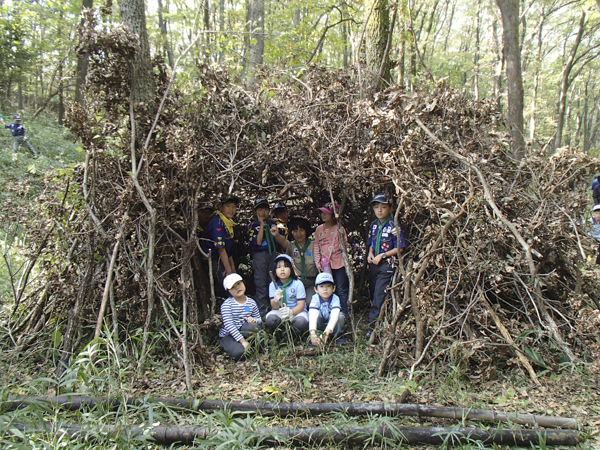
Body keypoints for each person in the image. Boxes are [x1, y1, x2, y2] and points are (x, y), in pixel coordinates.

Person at [366, 193, 406, 336]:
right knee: (372, 291)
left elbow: (400, 248)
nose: (379, 210)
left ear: (390, 209)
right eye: (376, 207)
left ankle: (374, 326)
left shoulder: (394, 226)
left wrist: (383, 255)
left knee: (379, 294)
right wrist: (371, 254)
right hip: (374, 264)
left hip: (386, 264)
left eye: (383, 207)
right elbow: (370, 243)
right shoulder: (374, 226)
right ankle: (376, 320)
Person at [313, 201, 349, 315]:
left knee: (341, 289)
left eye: (326, 213)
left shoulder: (339, 228)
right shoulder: (319, 229)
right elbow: (316, 247)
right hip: (325, 265)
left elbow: (345, 245)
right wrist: (318, 263)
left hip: (339, 263)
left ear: (334, 215)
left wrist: (342, 235)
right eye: (322, 213)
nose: (323, 215)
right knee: (326, 289)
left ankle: (343, 313)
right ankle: (327, 313)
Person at [201, 194, 239, 294]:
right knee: (227, 284)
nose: (231, 209)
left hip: (223, 257)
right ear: (220, 207)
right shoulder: (217, 223)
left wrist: (232, 266)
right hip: (212, 258)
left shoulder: (228, 222)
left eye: (234, 206)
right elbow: (221, 249)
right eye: (228, 206)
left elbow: (228, 248)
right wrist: (229, 272)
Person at [219, 273, 262, 361]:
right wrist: (242, 341)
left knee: (253, 326)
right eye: (233, 287)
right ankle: (239, 347)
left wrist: (254, 320)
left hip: (244, 330)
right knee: (239, 353)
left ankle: (255, 347)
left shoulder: (251, 302)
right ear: (229, 291)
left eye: (239, 284)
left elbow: (259, 319)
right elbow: (229, 325)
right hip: (229, 335)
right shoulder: (227, 305)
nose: (237, 288)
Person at [248, 197, 279, 315]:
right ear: (255, 211)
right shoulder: (252, 225)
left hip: (272, 254)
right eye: (260, 209)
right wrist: (261, 226)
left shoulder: (273, 224)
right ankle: (262, 311)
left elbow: (278, 240)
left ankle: (274, 309)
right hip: (259, 255)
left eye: (265, 209)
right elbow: (258, 242)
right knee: (260, 282)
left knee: (272, 281)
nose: (263, 212)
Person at [271, 217, 318, 293]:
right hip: (295, 282)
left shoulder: (314, 245)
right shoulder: (291, 246)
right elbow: (283, 241)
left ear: (306, 231)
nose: (298, 234)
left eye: (301, 230)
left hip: (312, 283)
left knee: (309, 302)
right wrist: (276, 235)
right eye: (295, 231)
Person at [265, 254, 309, 332]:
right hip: (280, 311)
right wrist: (276, 300)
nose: (282, 269)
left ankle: (296, 335)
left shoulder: (298, 283)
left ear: (291, 268)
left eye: (286, 266)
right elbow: (274, 307)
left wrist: (291, 312)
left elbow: (301, 305)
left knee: (300, 322)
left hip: (296, 312)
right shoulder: (273, 285)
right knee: (271, 320)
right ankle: (280, 334)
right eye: (279, 267)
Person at [308, 272, 346, 346]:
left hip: (331, 325)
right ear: (316, 289)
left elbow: (335, 316)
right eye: (321, 286)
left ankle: (337, 336)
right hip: (320, 323)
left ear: (333, 288)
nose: (325, 289)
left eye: (328, 286)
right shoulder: (315, 298)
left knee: (340, 316)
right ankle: (316, 336)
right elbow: (313, 315)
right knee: (310, 315)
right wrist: (312, 333)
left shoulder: (335, 298)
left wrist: (326, 333)